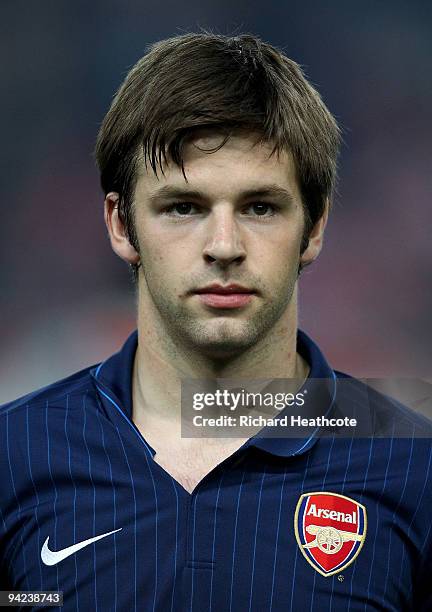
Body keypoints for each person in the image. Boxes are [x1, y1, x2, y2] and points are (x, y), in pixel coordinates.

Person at [1, 32, 431, 611]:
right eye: (184, 207)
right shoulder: (13, 453)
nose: (224, 245)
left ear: (315, 226)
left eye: (260, 207)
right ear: (121, 225)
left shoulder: (415, 467)